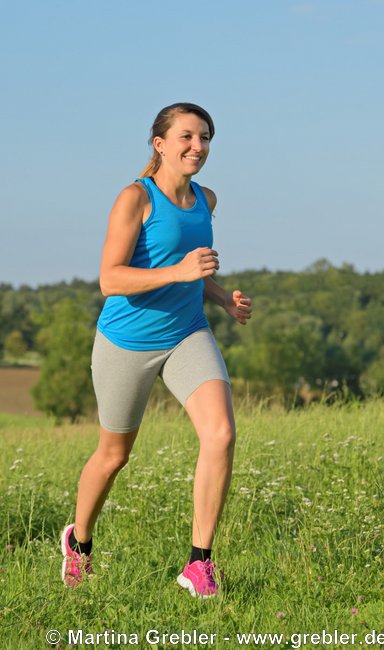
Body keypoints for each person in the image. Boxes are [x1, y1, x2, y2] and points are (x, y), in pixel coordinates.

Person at [61, 102, 252, 597]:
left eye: (206, 137)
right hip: (127, 342)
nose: (198, 146)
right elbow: (110, 278)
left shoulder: (206, 200)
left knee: (221, 433)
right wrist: (180, 273)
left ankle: (199, 563)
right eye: (187, 136)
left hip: (187, 332)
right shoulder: (134, 198)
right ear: (160, 144)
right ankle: (78, 544)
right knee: (113, 455)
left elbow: (194, 268)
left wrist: (220, 297)